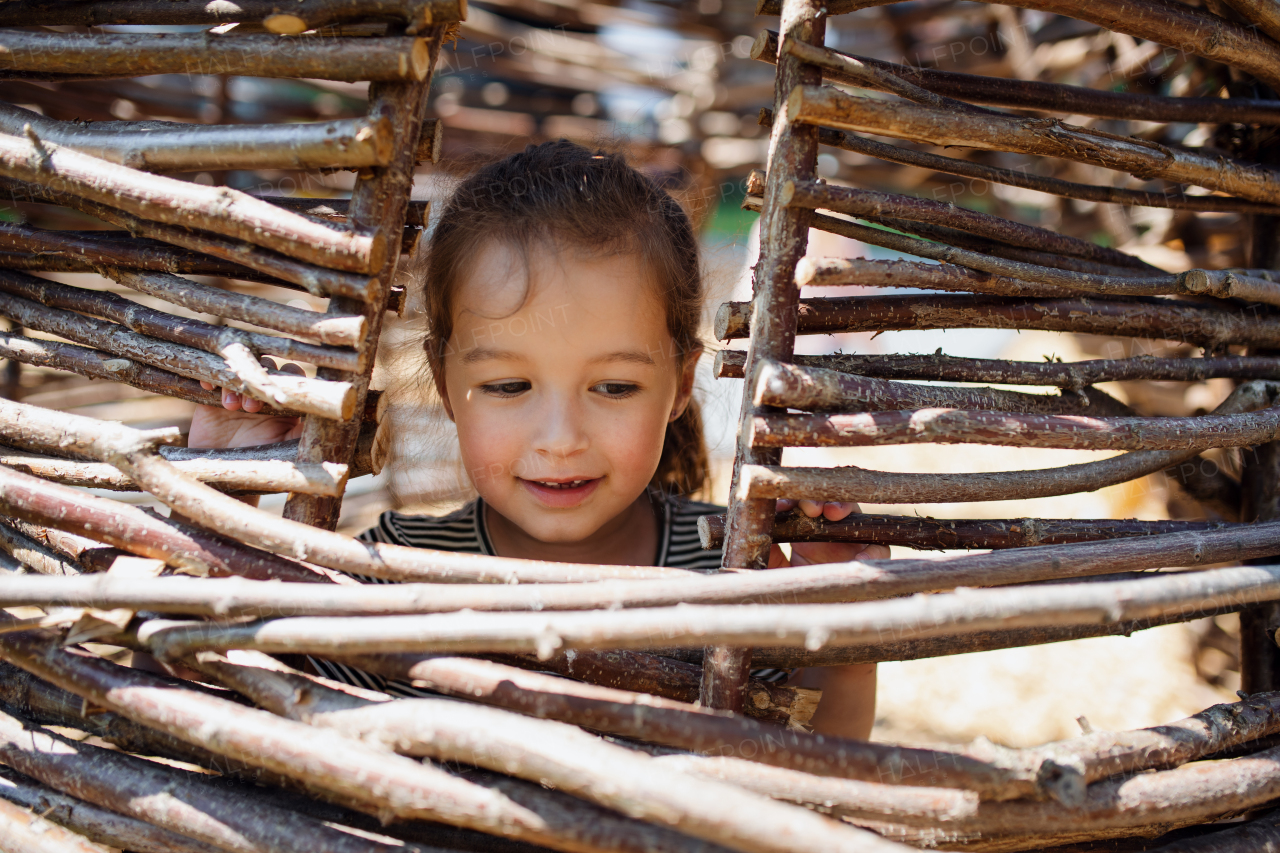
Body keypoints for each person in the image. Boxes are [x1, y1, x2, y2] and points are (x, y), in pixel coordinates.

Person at [190, 140, 886, 739]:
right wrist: (227, 494)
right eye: (508, 387)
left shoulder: (737, 575)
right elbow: (214, 722)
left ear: (679, 383)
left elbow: (819, 770)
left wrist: (846, 642)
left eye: (614, 387)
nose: (560, 440)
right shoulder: (390, 576)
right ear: (443, 379)